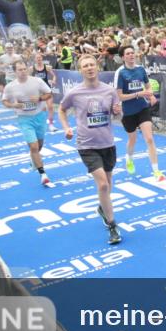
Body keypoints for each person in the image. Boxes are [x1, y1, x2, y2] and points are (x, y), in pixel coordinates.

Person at [59, 54, 124, 245]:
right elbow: (62, 109)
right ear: (81, 70)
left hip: (107, 143)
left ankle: (102, 208)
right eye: (85, 66)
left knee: (108, 184)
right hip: (87, 145)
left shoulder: (109, 91)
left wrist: (118, 111)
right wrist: (66, 128)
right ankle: (112, 226)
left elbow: (116, 113)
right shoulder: (74, 93)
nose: (89, 68)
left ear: (97, 67)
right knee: (103, 184)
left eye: (92, 64)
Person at [114, 45, 165, 181]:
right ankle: (129, 158)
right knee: (133, 139)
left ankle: (156, 171)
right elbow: (120, 96)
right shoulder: (121, 73)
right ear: (123, 57)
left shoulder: (141, 69)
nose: (131, 55)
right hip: (128, 112)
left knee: (149, 138)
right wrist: (138, 94)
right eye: (128, 53)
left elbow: (147, 86)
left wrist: (151, 95)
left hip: (142, 108)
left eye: (132, 53)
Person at [2, 60, 54, 187]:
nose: (23, 71)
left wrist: (40, 98)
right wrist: (14, 105)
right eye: (20, 70)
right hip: (24, 118)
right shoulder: (10, 86)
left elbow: (49, 93)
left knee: (39, 145)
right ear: (15, 71)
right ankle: (43, 174)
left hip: (39, 116)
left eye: (24, 69)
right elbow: (5, 101)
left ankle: (33, 158)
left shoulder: (37, 81)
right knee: (34, 147)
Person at [32, 51, 58, 131]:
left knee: (50, 107)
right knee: (41, 109)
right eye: (37, 58)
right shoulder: (32, 68)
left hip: (47, 89)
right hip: (37, 91)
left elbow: (54, 76)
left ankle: (51, 124)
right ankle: (40, 124)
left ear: (42, 59)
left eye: (40, 58)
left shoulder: (47, 67)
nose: (39, 59)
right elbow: (28, 78)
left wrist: (53, 80)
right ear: (35, 60)